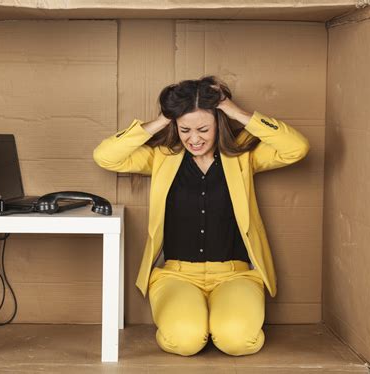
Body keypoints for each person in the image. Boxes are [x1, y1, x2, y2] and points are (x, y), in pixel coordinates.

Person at [93, 76, 310, 357]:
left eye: (203, 129)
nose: (194, 139)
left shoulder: (243, 155)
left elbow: (297, 148)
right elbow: (105, 156)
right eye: (184, 130)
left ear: (219, 123)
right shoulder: (162, 157)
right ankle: (196, 321)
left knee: (237, 341)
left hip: (236, 275)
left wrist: (233, 110)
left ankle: (219, 321)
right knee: (184, 341)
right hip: (176, 275)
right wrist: (162, 119)